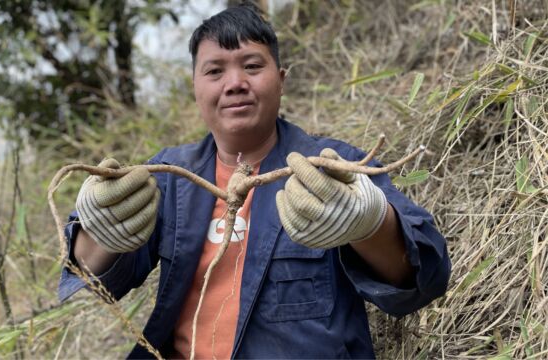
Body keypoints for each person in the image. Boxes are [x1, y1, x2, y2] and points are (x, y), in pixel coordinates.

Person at [58, 4, 451, 359]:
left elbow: (424, 277)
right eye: (214, 71)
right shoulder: (167, 177)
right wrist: (100, 227)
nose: (234, 83)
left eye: (251, 66)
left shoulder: (334, 168)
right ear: (195, 86)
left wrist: (368, 222)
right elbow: (92, 276)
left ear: (280, 79)